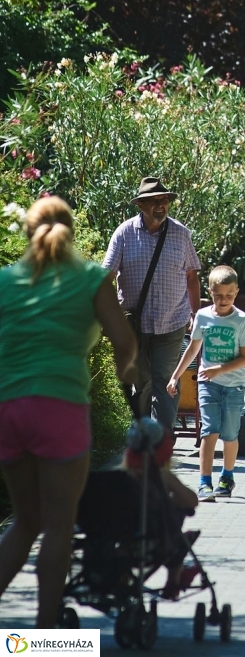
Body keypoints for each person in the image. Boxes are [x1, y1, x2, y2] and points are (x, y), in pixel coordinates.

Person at [0, 197, 137, 627]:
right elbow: (124, 341)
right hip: (60, 407)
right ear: (71, 232)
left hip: (9, 410)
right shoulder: (91, 279)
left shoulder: (5, 281)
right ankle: (44, 634)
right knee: (59, 524)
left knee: (25, 520)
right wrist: (124, 371)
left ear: (29, 231)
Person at [103, 176, 202, 430]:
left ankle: (162, 440)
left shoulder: (180, 234)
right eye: (153, 201)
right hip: (134, 326)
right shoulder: (124, 233)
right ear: (141, 205)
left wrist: (195, 314)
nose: (161, 205)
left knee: (166, 380)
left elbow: (192, 275)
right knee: (143, 383)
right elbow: (107, 277)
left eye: (164, 200)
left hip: (172, 322)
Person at [167, 265, 245, 502]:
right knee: (208, 432)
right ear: (210, 291)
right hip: (207, 385)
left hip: (233, 386)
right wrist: (175, 375)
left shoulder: (241, 320)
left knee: (229, 434)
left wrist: (220, 369)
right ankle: (205, 482)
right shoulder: (203, 316)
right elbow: (193, 348)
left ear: (236, 292)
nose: (223, 300)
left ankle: (227, 476)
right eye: (218, 295)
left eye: (229, 295)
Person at [121, 417, 199, 598]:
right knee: (175, 522)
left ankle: (120, 579)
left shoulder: (118, 478)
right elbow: (192, 501)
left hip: (116, 544)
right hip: (155, 544)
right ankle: (174, 580)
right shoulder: (160, 477)